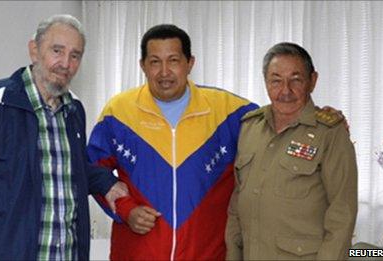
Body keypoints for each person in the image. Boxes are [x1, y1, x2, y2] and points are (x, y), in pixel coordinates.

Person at [0, 14, 128, 260]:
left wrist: (105, 182)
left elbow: (66, 168)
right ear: (34, 50)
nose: (65, 63)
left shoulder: (74, 109)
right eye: (57, 50)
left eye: (75, 55)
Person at [87, 24, 259, 260]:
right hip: (136, 254)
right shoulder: (118, 112)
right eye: (155, 61)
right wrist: (127, 210)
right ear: (143, 66)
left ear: (190, 63)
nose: (164, 72)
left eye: (174, 60)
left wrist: (322, 118)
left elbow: (279, 124)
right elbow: (92, 169)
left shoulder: (230, 111)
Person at [225, 42, 358, 260]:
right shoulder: (250, 127)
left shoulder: (330, 133)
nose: (285, 90)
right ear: (266, 82)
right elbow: (237, 202)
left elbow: (342, 214)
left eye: (296, 79)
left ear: (312, 81)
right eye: (276, 80)